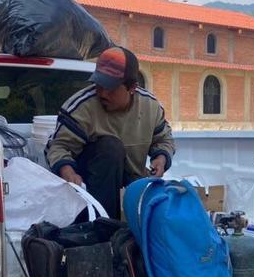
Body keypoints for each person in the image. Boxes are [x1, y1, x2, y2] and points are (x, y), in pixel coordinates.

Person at [45, 46, 175, 219]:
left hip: (130, 181)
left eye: (110, 88)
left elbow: (164, 139)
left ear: (132, 87)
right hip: (87, 188)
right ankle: (104, 224)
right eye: (99, 85)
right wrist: (68, 172)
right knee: (110, 147)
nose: (103, 93)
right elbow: (57, 147)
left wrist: (161, 159)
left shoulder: (150, 107)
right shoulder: (82, 107)